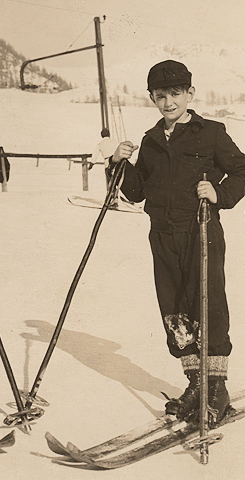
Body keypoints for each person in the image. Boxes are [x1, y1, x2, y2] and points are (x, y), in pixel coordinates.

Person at [109, 60, 245, 425]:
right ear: (152, 97)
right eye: (160, 95)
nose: (167, 102)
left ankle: (216, 388)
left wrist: (219, 192)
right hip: (163, 235)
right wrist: (119, 165)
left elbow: (243, 169)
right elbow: (136, 193)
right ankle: (195, 383)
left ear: (189, 94)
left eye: (174, 94)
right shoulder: (150, 141)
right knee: (176, 309)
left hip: (200, 231)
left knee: (209, 304)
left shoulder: (211, 132)